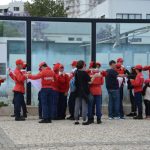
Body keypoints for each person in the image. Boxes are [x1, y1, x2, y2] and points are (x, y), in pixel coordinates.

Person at [74, 60, 91, 125]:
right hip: (84, 91)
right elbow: (89, 82)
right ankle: (84, 120)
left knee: (77, 105)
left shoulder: (76, 72)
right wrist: (95, 76)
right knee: (84, 105)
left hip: (77, 90)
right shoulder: (84, 73)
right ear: (83, 65)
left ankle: (76, 120)